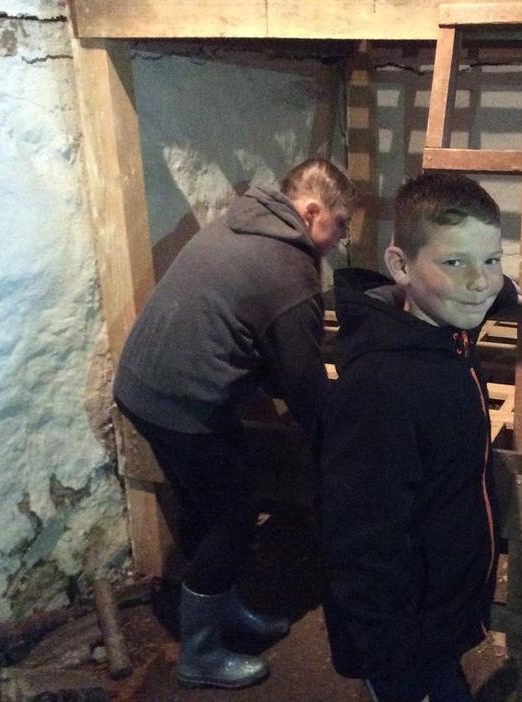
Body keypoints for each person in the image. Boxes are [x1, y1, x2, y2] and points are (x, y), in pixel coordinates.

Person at [113, 158, 359, 689]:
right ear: (310, 212)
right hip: (182, 401)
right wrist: (346, 440)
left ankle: (223, 607)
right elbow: (303, 385)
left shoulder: (242, 219)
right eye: (339, 224)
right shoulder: (291, 269)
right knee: (234, 514)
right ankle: (200, 654)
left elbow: (256, 332)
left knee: (209, 501)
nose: (341, 239)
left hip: (143, 385)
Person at [318, 172, 522, 702]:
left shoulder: (444, 329)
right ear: (401, 265)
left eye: (492, 259)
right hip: (401, 633)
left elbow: (480, 287)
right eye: (454, 262)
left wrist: (504, 290)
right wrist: (387, 652)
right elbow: (362, 539)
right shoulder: (381, 390)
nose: (479, 282)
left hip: (440, 605)